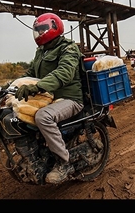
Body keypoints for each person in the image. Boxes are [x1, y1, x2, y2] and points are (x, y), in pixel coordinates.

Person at [14, 12, 84, 184]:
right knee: (17, 113)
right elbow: (30, 73)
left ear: (55, 26)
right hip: (50, 98)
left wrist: (36, 87)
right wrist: (12, 85)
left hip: (70, 98)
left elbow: (64, 73)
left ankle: (64, 162)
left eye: (43, 29)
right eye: (37, 30)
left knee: (43, 117)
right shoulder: (41, 51)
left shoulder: (68, 48)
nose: (39, 33)